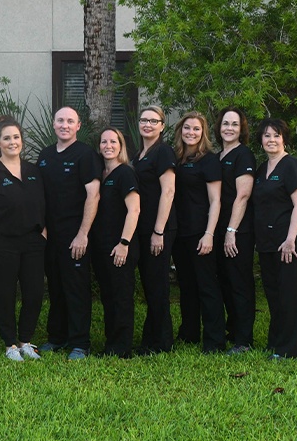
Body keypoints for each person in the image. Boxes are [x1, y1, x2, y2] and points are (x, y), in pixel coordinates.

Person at [0, 116, 47, 361]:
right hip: (1, 242)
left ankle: (25, 340)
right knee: (4, 295)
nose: (12, 142)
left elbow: (43, 203)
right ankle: (9, 344)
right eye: (7, 138)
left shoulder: (34, 171)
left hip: (33, 243)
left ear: (22, 142)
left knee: (34, 293)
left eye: (16, 137)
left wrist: (43, 231)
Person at [37, 106, 102, 360]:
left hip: (75, 235)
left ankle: (80, 343)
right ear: (54, 125)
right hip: (49, 237)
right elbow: (38, 195)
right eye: (60, 120)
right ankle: (57, 337)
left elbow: (93, 195)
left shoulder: (85, 155)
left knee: (76, 289)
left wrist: (83, 234)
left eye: (70, 121)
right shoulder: (44, 155)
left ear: (78, 126)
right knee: (55, 287)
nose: (64, 125)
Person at [253, 118, 297, 360]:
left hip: (290, 243)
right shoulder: (261, 170)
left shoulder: (291, 166)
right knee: (274, 294)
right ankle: (276, 342)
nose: (271, 140)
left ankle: (289, 349)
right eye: (267, 136)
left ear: (284, 139)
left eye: (276, 135)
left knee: (289, 295)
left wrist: (290, 239)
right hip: (267, 243)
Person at [172, 111, 225, 353]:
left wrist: (209, 234)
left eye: (196, 129)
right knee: (186, 285)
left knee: (206, 285)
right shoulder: (177, 158)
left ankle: (214, 340)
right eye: (187, 128)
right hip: (179, 232)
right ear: (180, 131)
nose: (190, 133)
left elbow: (216, 201)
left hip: (200, 232)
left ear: (203, 133)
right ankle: (189, 332)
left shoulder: (209, 161)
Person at [91, 127, 140, 358]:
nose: (108, 146)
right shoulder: (100, 174)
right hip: (102, 247)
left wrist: (124, 242)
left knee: (121, 297)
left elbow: (134, 209)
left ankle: (122, 348)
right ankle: (111, 344)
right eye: (104, 142)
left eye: (113, 141)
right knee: (108, 296)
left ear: (121, 145)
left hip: (121, 246)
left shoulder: (125, 174)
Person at [132, 105, 176, 355]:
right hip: (143, 228)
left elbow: (168, 191)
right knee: (150, 285)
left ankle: (161, 343)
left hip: (159, 229)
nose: (147, 124)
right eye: (144, 120)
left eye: (153, 121)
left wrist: (158, 231)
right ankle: (150, 339)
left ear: (162, 126)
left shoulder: (163, 152)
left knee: (158, 286)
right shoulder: (140, 154)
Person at [214, 107, 256, 355]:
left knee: (239, 282)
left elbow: (243, 195)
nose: (229, 128)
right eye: (225, 123)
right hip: (219, 228)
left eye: (234, 124)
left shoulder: (244, 155)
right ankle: (233, 329)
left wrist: (231, 230)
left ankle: (244, 339)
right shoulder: (218, 155)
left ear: (242, 129)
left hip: (237, 230)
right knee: (226, 281)